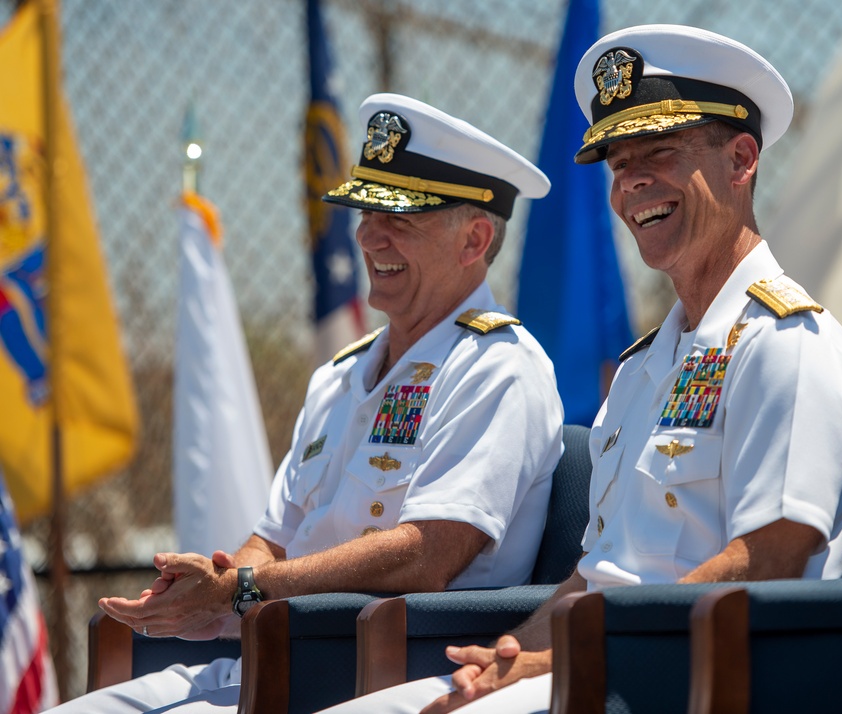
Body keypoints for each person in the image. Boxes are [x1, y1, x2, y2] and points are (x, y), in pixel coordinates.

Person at [324, 24, 842, 714]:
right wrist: (512, 657)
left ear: (741, 160)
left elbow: (768, 557)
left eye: (660, 153)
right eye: (618, 165)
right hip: (602, 668)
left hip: (698, 679)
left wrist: (570, 656)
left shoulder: (789, 344)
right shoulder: (646, 370)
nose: (633, 183)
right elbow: (598, 574)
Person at [50, 93, 563, 713]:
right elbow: (272, 539)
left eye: (400, 218)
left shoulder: (498, 367)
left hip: (400, 667)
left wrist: (242, 589)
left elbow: (426, 557)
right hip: (280, 657)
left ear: (474, 238)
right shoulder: (340, 376)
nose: (370, 236)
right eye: (366, 212)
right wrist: (205, 586)